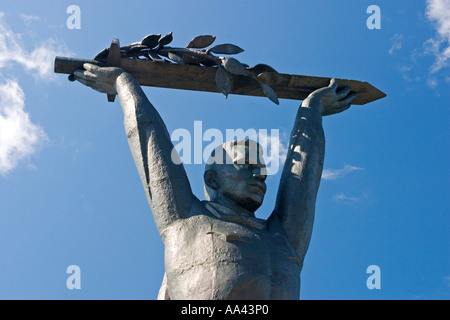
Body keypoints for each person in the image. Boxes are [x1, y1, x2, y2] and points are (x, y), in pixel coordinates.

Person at [74, 63, 356, 299]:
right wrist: (124, 83)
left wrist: (312, 109)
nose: (259, 175)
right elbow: (150, 141)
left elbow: (304, 177)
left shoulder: (283, 238)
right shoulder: (185, 220)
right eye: (245, 165)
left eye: (262, 169)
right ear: (213, 179)